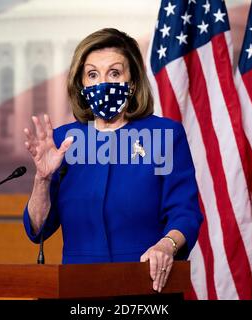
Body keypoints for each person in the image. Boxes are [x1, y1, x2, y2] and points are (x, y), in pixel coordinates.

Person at [23, 28, 203, 293]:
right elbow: (37, 229)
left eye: (114, 73)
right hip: (78, 286)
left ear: (132, 83)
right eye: (92, 75)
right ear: (82, 85)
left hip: (145, 283)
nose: (103, 83)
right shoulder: (63, 141)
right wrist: (43, 179)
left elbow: (184, 213)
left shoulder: (164, 135)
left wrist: (166, 245)